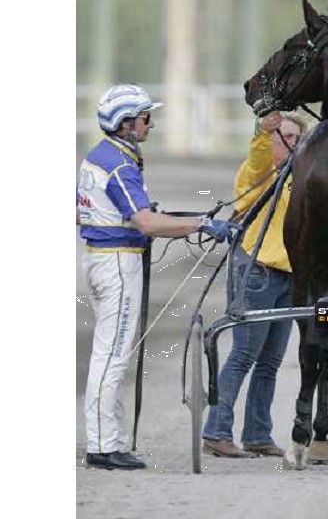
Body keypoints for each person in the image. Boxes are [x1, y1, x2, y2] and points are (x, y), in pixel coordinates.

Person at [77, 84, 237, 470]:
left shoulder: (101, 157)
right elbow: (146, 222)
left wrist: (181, 221)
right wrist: (200, 223)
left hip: (105, 257)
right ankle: (101, 446)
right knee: (112, 355)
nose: (152, 123)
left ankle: (108, 440)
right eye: (146, 117)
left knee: (111, 352)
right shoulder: (118, 164)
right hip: (117, 263)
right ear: (126, 123)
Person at [202, 110, 306, 458]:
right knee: (244, 354)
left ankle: (258, 434)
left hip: (289, 276)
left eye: (297, 139)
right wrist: (265, 132)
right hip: (256, 270)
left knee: (270, 362)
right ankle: (216, 431)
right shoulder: (257, 173)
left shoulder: (300, 177)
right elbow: (259, 154)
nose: (293, 145)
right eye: (286, 138)